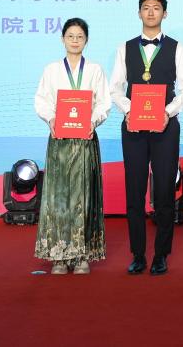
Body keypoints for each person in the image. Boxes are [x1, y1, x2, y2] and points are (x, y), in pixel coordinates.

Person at [110, 0, 183, 276]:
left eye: (156, 8)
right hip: (133, 127)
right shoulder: (125, 48)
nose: (150, 12)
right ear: (139, 13)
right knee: (134, 191)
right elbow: (115, 88)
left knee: (164, 191)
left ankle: (161, 254)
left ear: (164, 14)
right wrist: (129, 110)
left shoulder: (177, 48)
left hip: (165, 127)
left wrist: (168, 112)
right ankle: (138, 254)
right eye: (145, 8)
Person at [33, 17, 112, 274]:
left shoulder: (95, 70)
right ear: (62, 39)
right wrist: (51, 119)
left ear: (86, 40)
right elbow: (42, 100)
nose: (75, 41)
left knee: (83, 197)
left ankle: (81, 256)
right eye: (70, 36)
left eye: (80, 37)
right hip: (60, 140)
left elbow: (104, 103)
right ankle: (59, 256)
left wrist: (93, 121)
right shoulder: (52, 70)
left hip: (85, 139)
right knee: (58, 198)